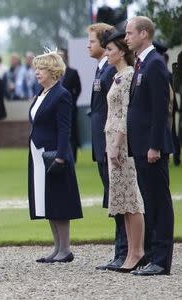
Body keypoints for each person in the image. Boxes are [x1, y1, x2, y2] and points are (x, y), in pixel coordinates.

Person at [125, 16, 174, 276]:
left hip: (151, 148)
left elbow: (159, 111)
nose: (126, 38)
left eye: (130, 33)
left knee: (159, 202)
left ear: (144, 34)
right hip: (142, 146)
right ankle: (153, 255)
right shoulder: (142, 63)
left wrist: (155, 145)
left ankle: (162, 259)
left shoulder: (154, 64)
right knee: (150, 202)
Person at [28, 52, 82, 264]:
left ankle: (65, 249)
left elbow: (64, 129)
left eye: (40, 69)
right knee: (46, 201)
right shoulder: (41, 93)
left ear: (52, 71)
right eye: (36, 69)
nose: (37, 73)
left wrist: (60, 157)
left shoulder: (61, 95)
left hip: (53, 155)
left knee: (59, 201)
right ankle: (57, 247)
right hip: (38, 154)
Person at [87, 23, 128, 272]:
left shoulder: (110, 73)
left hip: (109, 142)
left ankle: (124, 252)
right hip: (101, 142)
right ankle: (120, 251)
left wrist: (110, 144)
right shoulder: (101, 70)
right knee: (113, 200)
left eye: (92, 41)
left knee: (120, 200)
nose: (88, 46)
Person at [103, 31, 145, 272]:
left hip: (123, 142)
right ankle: (131, 250)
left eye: (110, 49)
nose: (107, 53)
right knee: (123, 199)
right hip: (113, 140)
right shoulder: (118, 76)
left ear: (121, 51)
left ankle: (137, 250)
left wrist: (117, 143)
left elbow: (126, 113)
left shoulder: (128, 75)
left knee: (131, 197)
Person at [58, 49, 81, 162]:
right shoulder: (54, 73)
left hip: (71, 108)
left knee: (72, 133)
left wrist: (72, 100)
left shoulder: (72, 72)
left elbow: (78, 89)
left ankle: (73, 158)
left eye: (61, 56)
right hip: (57, 109)